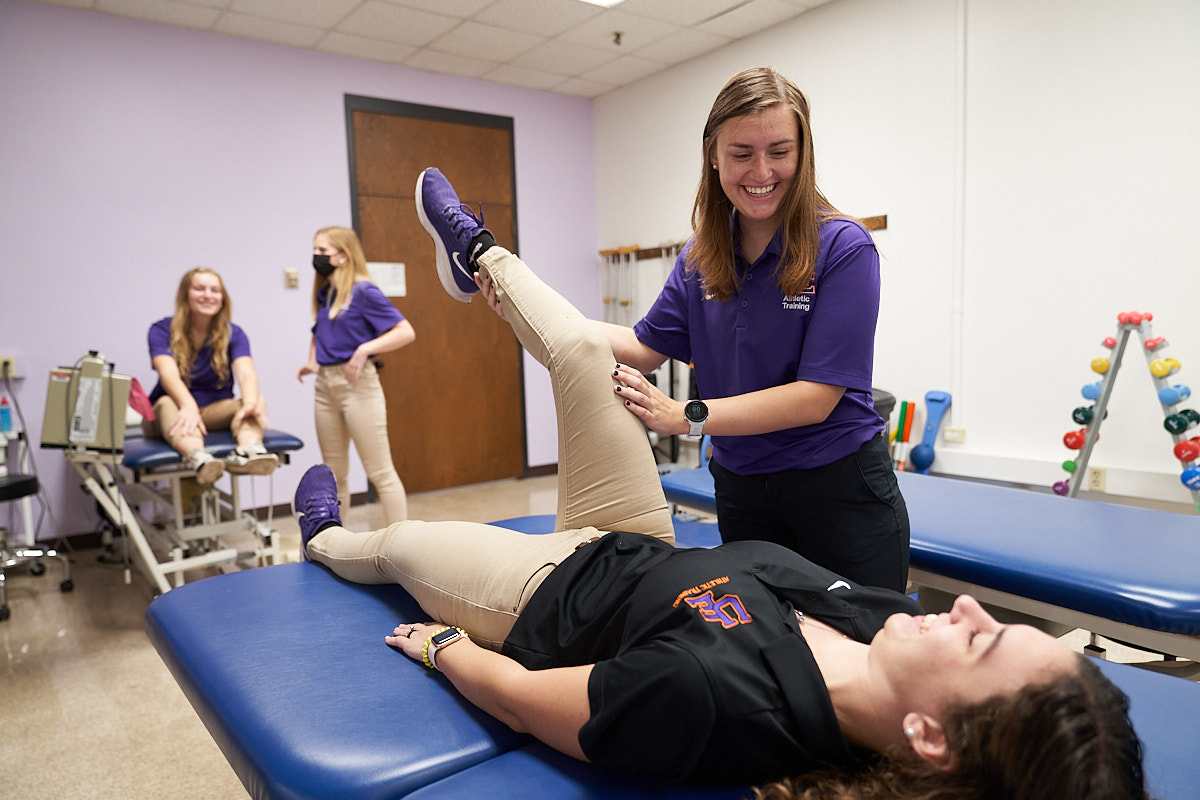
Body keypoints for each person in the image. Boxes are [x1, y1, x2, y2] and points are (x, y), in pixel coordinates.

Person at [289, 167, 1146, 797]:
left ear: (927, 735)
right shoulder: (886, 621)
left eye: (981, 641)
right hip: (638, 534)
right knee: (588, 349)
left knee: (398, 544)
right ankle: (475, 250)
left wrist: (444, 649)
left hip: (542, 595)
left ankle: (322, 537)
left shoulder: (716, 701)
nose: (963, 610)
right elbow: (639, 349)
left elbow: (519, 698)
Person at [608, 67, 907, 591]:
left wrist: (686, 416)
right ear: (714, 156)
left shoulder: (843, 248)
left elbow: (815, 397)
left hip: (836, 490)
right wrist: (526, 304)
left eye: (779, 151)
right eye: (742, 153)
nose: (761, 171)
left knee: (859, 657)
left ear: (802, 153)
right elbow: (639, 348)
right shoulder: (700, 257)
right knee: (767, 657)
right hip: (743, 490)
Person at [296, 226, 415, 524]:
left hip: (358, 386)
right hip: (325, 386)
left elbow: (405, 332)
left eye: (322, 251)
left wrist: (363, 351)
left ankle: (404, 543)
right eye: (315, 250)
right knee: (335, 474)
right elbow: (319, 330)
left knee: (380, 472)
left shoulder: (363, 290)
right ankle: (336, 541)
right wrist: (312, 362)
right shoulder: (327, 292)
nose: (316, 256)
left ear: (343, 255)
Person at [143, 267, 277, 485]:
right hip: (169, 412)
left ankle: (250, 452)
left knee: (254, 400)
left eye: (215, 290)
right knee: (167, 402)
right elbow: (168, 373)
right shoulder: (161, 330)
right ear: (185, 294)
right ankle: (199, 458)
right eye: (199, 289)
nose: (208, 295)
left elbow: (245, 371)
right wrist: (188, 405)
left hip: (211, 413)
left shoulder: (233, 333)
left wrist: (251, 403)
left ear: (223, 297)